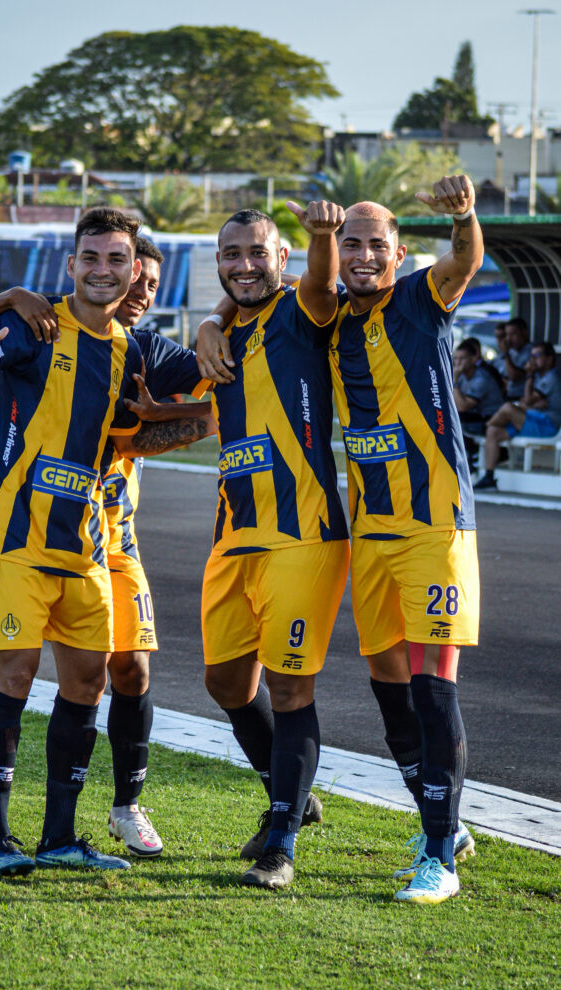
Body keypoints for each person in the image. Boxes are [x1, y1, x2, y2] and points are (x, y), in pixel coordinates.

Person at [198, 176, 483, 905]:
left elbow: (462, 262)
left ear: (397, 251)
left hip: (435, 524)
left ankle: (437, 854)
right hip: (370, 528)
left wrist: (465, 218)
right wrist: (212, 319)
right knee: (392, 695)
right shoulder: (327, 322)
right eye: (349, 242)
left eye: (373, 243)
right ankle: (442, 829)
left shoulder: (422, 296)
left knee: (430, 684)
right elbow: (275, 291)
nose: (361, 255)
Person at [0, 208, 213, 878]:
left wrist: (182, 396)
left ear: (136, 269)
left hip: (86, 546)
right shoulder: (35, 323)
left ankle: (58, 838)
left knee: (86, 682)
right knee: (14, 676)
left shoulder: (140, 351)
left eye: (116, 260)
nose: (102, 271)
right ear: (71, 263)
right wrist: (1, 306)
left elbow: (215, 387)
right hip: (16, 536)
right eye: (90, 258)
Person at [194, 206, 351, 890]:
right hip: (235, 535)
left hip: (303, 534)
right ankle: (291, 792)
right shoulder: (226, 327)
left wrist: (322, 235)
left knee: (289, 684)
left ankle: (280, 842)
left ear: (280, 257)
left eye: (256, 252)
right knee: (225, 681)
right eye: (231, 255)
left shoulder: (303, 309)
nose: (243, 264)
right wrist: (208, 320)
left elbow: (323, 279)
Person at [476, 341, 561, 490]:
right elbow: (525, 402)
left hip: (548, 426)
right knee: (493, 432)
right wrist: (531, 403)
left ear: (550, 358)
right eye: (532, 356)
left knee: (508, 408)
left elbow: (526, 400)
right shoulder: (539, 376)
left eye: (538, 355)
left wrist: (529, 376)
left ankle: (486, 427)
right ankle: (489, 477)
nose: (533, 360)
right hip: (533, 420)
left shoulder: (551, 376)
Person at [453, 338, 505, 469]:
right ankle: (468, 457)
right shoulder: (463, 376)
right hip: (475, 417)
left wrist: (454, 382)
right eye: (456, 359)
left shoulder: (481, 377)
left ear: (473, 359)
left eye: (462, 359)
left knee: (455, 419)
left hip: (491, 420)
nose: (458, 363)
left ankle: (471, 459)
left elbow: (463, 406)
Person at [494, 318, 532, 401]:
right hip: (508, 396)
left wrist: (506, 354)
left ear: (524, 333)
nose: (508, 339)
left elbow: (514, 376)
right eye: (507, 335)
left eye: (513, 334)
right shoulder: (512, 351)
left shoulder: (532, 352)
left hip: (521, 398)